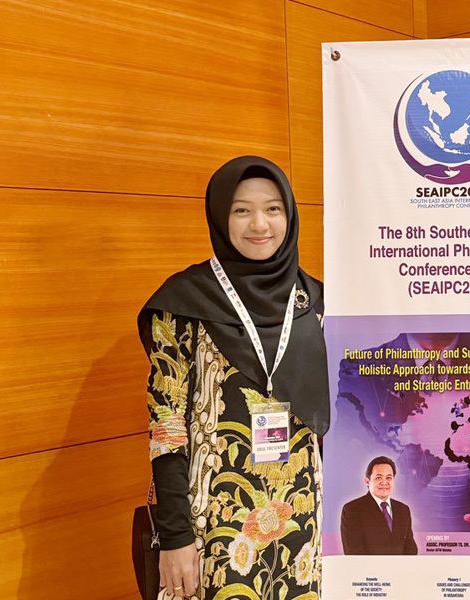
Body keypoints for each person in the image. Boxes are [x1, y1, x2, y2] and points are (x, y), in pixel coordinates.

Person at [139, 156, 330, 599]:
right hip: (214, 525)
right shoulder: (183, 302)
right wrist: (175, 537)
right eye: (241, 210)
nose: (259, 224)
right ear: (220, 217)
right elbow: (165, 430)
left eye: (273, 209)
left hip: (303, 526)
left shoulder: (315, 301)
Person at [340, 456, 418, 555]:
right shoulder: (352, 509)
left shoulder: (403, 509)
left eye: (389, 478)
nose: (384, 482)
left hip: (400, 570)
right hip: (368, 570)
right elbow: (353, 551)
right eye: (378, 478)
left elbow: (410, 549)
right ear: (367, 482)